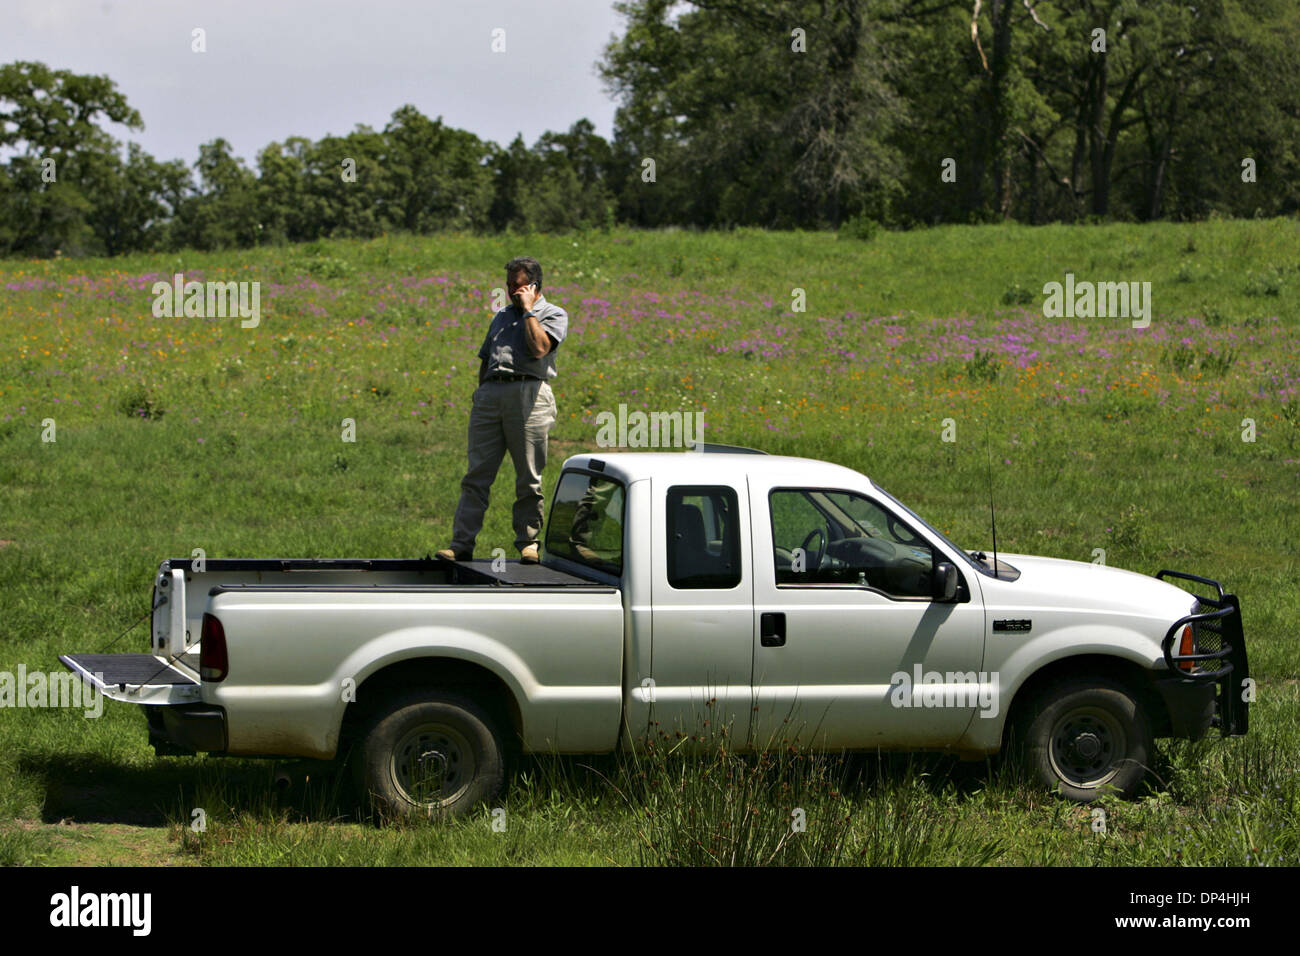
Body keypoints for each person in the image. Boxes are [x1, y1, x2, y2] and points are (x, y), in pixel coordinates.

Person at [437, 257, 567, 564]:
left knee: (528, 477)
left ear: (534, 286)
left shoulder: (553, 313)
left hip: (529, 394)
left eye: (518, 285)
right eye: (508, 285)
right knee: (476, 476)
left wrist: (529, 311)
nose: (511, 292)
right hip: (491, 395)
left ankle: (528, 543)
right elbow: (486, 357)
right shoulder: (500, 316)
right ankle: (461, 544)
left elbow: (539, 349)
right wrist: (482, 392)